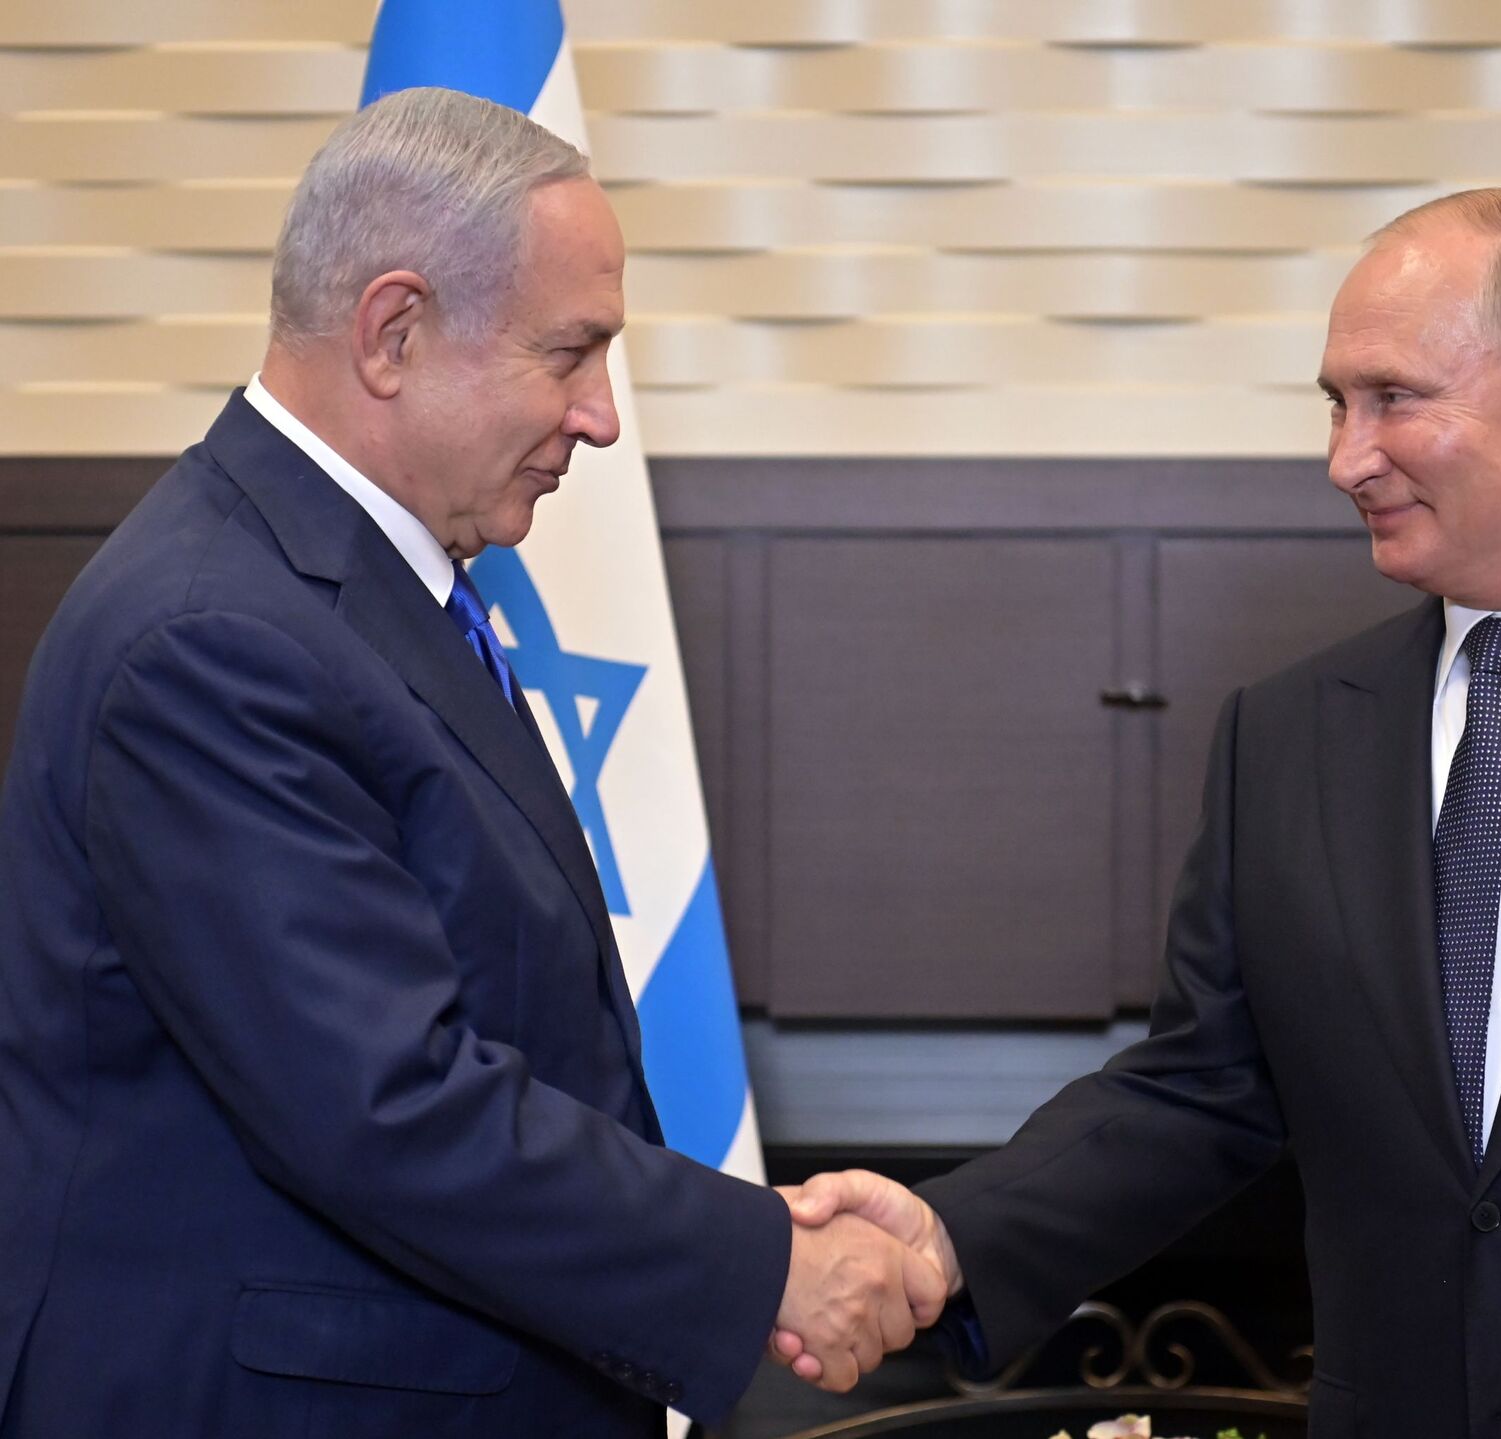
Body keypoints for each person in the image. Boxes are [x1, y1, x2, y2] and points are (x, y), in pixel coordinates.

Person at [775, 189, 1501, 1436]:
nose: (1347, 458)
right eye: (1337, 403)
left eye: (1394, 398)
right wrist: (945, 1232)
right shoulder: (1288, 736)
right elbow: (1199, 1089)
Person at [0, 87, 941, 1439]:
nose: (602, 416)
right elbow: (387, 1104)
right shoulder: (211, 636)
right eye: (571, 353)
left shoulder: (359, 586)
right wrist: (766, 1263)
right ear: (395, 332)